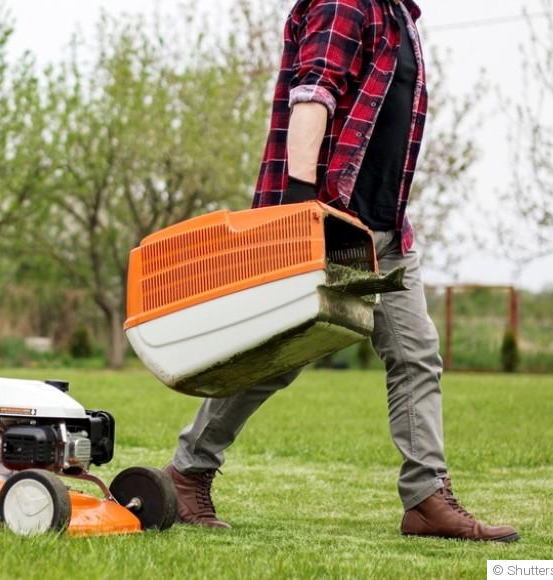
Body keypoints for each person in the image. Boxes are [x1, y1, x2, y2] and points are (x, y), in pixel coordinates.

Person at [162, 0, 519, 542]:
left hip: (386, 231)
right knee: (277, 357)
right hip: (332, 220)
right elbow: (313, 93)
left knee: (416, 355)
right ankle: (188, 472)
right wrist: (301, 205)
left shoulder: (400, 17)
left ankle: (426, 499)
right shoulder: (345, 3)